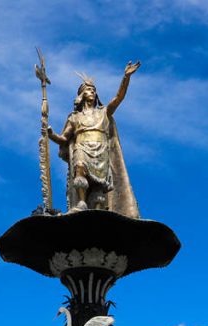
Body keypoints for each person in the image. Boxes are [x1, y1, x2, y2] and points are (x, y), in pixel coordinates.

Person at [48, 63, 141, 217]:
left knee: (99, 185)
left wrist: (126, 77)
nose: (92, 92)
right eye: (89, 90)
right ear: (82, 95)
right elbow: (64, 138)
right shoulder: (74, 117)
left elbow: (118, 98)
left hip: (101, 147)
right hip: (82, 146)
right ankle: (81, 203)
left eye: (93, 90)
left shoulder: (104, 112)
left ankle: (98, 209)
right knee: (80, 169)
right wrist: (51, 134)